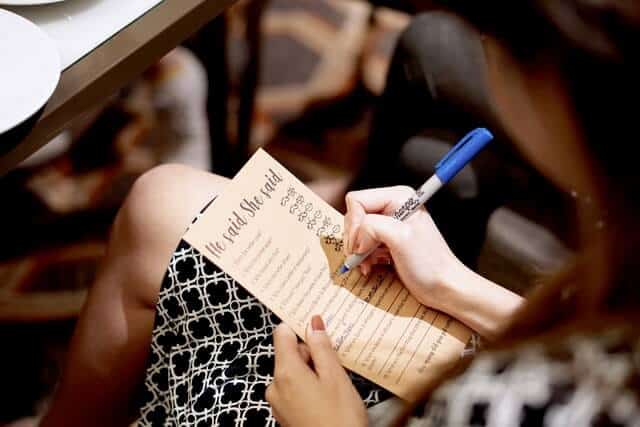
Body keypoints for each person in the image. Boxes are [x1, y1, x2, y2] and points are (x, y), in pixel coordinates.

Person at [40, 1, 640, 426]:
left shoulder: (531, 395)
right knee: (163, 205)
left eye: (500, 42)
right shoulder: (613, 277)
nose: (485, 56)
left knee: (164, 219)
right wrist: (456, 287)